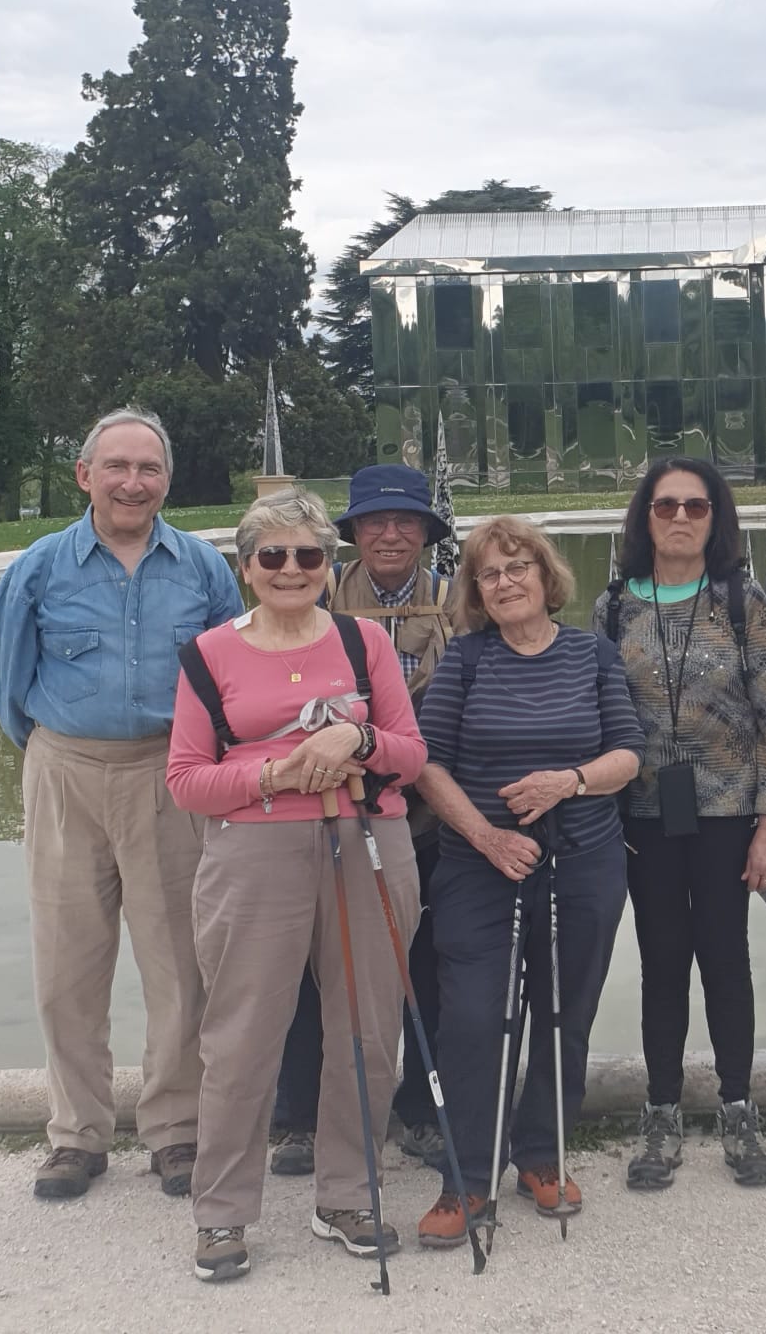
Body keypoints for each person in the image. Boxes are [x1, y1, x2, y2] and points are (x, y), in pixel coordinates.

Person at [165, 489, 429, 1283]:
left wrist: (358, 736)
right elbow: (186, 780)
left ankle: (347, 1195)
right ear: (246, 568)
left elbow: (411, 753)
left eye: (309, 555)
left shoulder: (362, 642)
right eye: (272, 556)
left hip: (367, 839)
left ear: (327, 565)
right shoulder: (209, 654)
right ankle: (221, 1210)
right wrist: (274, 774)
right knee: (242, 1035)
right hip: (254, 854)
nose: (291, 569)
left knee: (368, 1028)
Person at [0, 406, 242, 1203]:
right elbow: (8, 684)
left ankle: (175, 1128)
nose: (133, 482)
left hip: (171, 773)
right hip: (65, 769)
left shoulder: (204, 570)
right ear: (84, 476)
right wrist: (55, 753)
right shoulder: (38, 568)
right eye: (117, 467)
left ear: (168, 480)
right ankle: (77, 1134)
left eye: (149, 468)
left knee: (180, 967)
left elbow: (231, 681)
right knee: (67, 965)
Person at [410, 516, 643, 1249]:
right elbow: (426, 763)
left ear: (546, 575)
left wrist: (568, 781)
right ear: (475, 590)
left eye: (519, 567)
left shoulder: (591, 653)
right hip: (479, 865)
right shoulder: (466, 659)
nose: (506, 582)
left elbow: (628, 754)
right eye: (490, 573)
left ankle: (541, 1154)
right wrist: (485, 836)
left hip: (583, 860)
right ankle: (467, 1175)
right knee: (473, 1017)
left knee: (564, 1012)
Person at [596, 457, 766, 1190]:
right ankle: (662, 1111)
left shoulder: (741, 602)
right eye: (665, 505)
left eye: (696, 507)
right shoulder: (614, 607)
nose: (680, 518)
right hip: (643, 814)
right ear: (644, 517)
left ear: (717, 519)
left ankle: (739, 1108)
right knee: (661, 961)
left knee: (725, 957)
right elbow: (596, 713)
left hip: (726, 812)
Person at [266, 464, 457, 1180]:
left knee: (428, 965)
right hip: (329, 810)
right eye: (375, 521)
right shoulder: (313, 593)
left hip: (433, 812)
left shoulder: (458, 599)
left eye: (406, 521)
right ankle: (301, 1116)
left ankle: (420, 1108)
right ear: (352, 532)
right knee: (311, 968)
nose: (390, 534)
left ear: (427, 532)